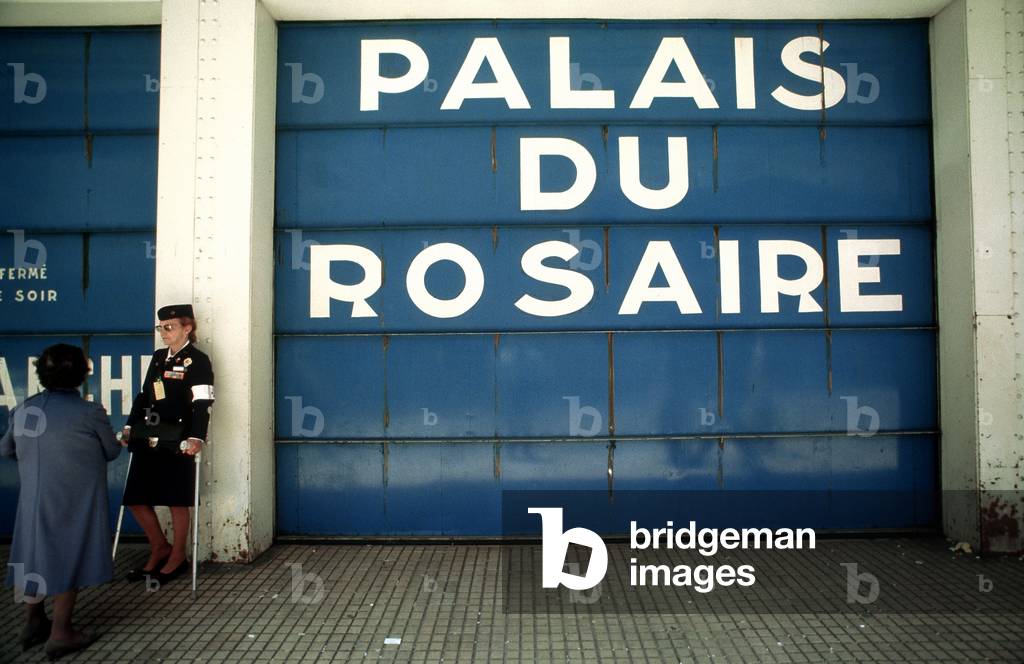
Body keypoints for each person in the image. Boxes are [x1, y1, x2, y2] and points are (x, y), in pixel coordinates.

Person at [1, 343, 120, 659]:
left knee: (33, 554)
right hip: (75, 500)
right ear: (81, 375)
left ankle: (33, 620)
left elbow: (6, 450)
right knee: (70, 554)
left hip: (34, 499)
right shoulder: (90, 413)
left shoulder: (25, 410)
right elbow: (112, 451)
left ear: (42, 374)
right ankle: (62, 632)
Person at [120, 303, 215, 587]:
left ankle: (177, 555)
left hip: (178, 439)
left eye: (169, 327)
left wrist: (197, 437)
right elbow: (143, 395)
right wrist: (129, 425)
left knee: (176, 499)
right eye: (161, 327)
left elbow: (202, 402)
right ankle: (158, 546)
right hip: (149, 433)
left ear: (188, 328)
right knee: (136, 497)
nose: (163, 332)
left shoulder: (197, 361)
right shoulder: (159, 357)